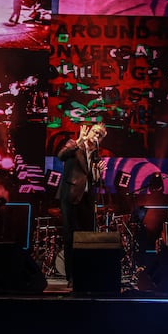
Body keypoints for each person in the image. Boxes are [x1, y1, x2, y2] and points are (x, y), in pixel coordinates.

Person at [56, 122, 108, 287]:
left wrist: (98, 173)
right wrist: (79, 141)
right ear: (89, 131)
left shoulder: (95, 155)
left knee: (86, 236)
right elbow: (61, 156)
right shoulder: (75, 144)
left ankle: (85, 274)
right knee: (70, 237)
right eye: (95, 132)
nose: (96, 136)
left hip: (86, 198)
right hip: (70, 196)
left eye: (100, 135)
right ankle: (71, 277)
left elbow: (91, 179)